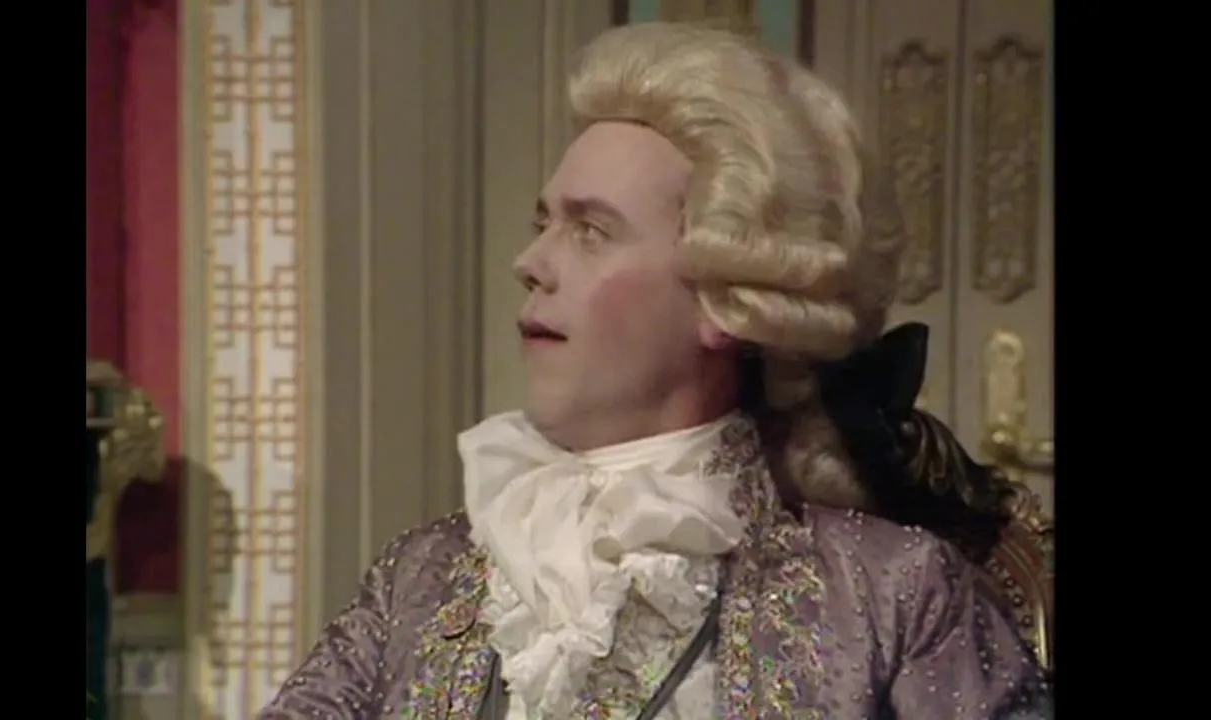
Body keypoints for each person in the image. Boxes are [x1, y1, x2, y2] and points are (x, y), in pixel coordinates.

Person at [260, 21, 1052, 719]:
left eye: (590, 230)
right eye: (543, 223)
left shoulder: (890, 595)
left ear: (727, 297)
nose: (530, 261)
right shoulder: (420, 579)